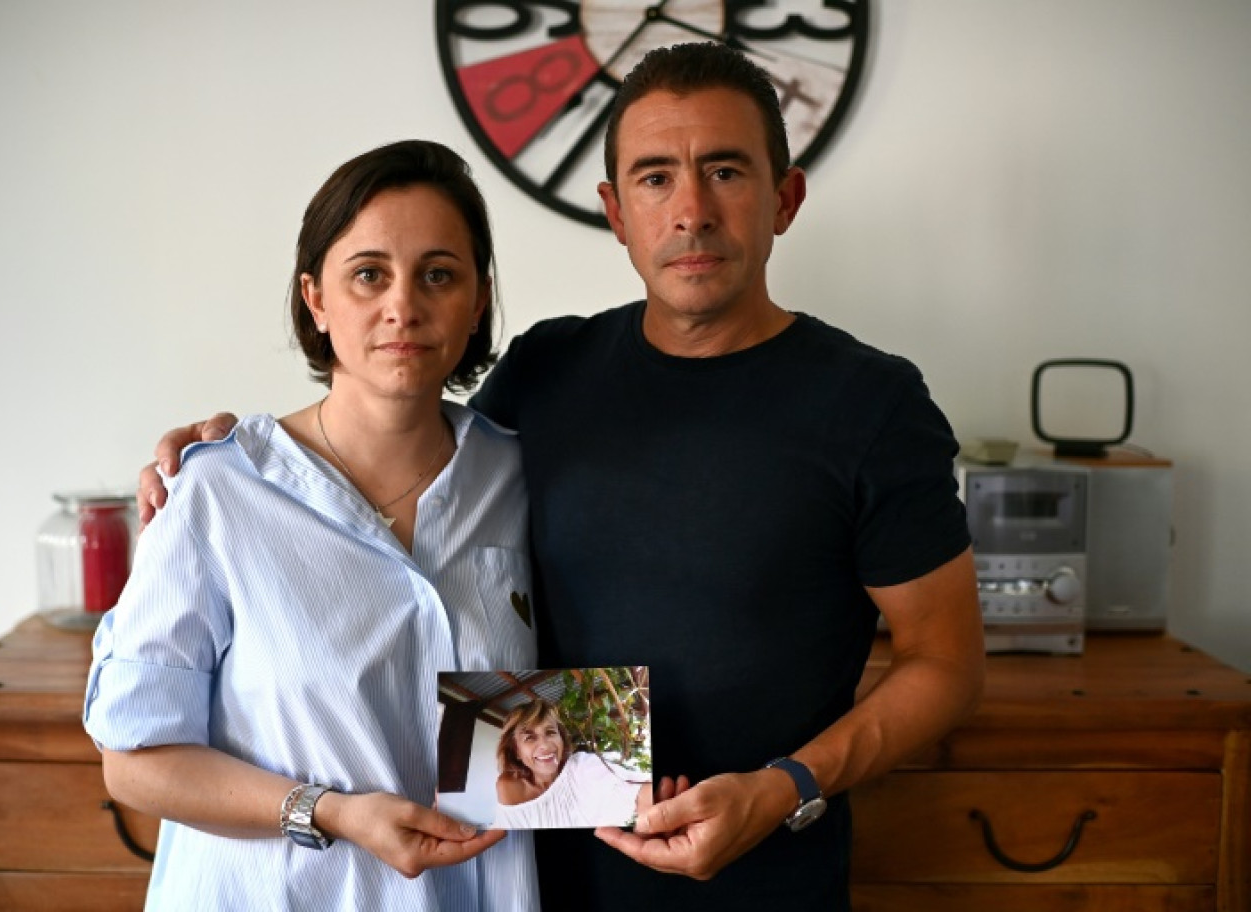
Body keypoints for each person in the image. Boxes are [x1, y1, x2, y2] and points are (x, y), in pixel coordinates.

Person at [138, 43, 984, 911]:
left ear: (786, 197)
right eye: (655, 178)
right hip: (527, 875)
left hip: (761, 880)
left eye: (724, 170)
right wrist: (226, 454)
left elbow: (946, 662)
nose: (690, 211)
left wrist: (785, 789)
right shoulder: (547, 372)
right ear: (616, 212)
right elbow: (394, 432)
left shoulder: (873, 403)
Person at [83, 140, 540, 910]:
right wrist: (327, 812)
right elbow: (133, 761)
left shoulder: (522, 475)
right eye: (369, 274)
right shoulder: (217, 491)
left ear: (478, 300)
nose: (404, 305)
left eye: (439, 274)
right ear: (315, 298)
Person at [493, 699, 649, 829]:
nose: (545, 745)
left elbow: (637, 790)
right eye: (530, 738)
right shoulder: (508, 787)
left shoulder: (580, 767)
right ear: (516, 752)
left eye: (550, 732)